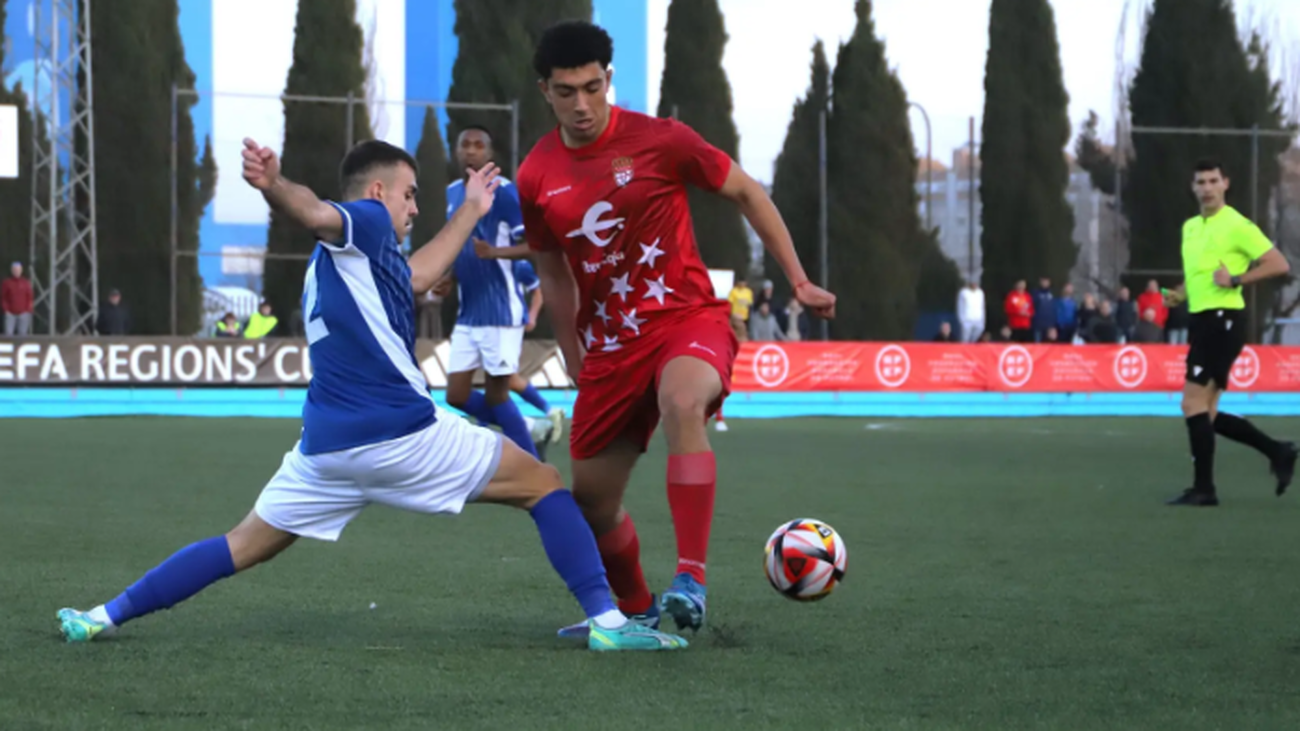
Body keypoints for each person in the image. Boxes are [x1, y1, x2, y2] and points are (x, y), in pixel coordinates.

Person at [54, 138, 688, 653]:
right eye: (409, 195)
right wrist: (276, 184)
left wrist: (469, 208)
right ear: (379, 192)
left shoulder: (359, 258)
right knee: (546, 484)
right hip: (399, 433)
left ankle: (102, 615)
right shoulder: (360, 220)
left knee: (236, 546)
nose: (414, 209)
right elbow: (314, 211)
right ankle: (608, 622)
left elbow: (419, 274)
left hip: (324, 450)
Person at [517, 21, 835, 636]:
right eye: (565, 92)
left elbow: (747, 191)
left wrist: (796, 279)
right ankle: (635, 611)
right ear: (544, 92)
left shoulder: (663, 140)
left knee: (684, 400)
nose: (581, 105)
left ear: (609, 80)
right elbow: (552, 269)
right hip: (609, 345)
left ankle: (691, 577)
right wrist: (571, 346)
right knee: (592, 503)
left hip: (687, 318)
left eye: (591, 87)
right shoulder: (536, 175)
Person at [1163, 159, 1297, 506]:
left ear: (1225, 183)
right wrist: (1182, 293)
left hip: (1223, 321)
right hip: (1203, 319)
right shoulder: (1191, 227)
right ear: (1193, 187)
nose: (1206, 188)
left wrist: (1236, 279)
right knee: (1204, 412)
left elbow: (1279, 263)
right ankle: (1276, 450)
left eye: (1212, 181)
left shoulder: (1237, 224)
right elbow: (1201, 274)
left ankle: (1204, 489)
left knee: (1192, 402)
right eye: (1200, 182)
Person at [438, 126, 546, 458]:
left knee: (498, 395)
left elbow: (535, 245)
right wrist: (450, 278)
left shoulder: (506, 193)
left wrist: (495, 253)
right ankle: (527, 427)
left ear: (489, 153)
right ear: (456, 151)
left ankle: (535, 470)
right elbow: (461, 245)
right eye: (464, 145)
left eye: (478, 145)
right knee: (455, 395)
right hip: (468, 312)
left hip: (501, 311)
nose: (471, 151)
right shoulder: (453, 192)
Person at [2, 261, 33, 336]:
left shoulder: (26, 283)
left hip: (23, 313)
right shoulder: (7, 283)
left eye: (18, 270)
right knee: (8, 335)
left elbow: (29, 297)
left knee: (22, 335)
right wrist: (6, 310)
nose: (17, 271)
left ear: (21, 271)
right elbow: (3, 297)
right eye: (15, 270)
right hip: (10, 314)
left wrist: (28, 310)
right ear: (12, 271)